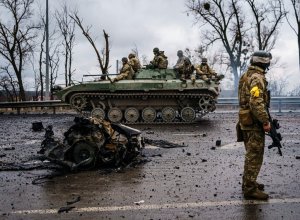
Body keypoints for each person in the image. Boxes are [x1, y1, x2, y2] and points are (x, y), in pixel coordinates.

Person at [237, 50, 272, 200]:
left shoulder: (246, 75)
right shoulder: (257, 78)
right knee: (254, 155)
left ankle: (249, 183)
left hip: (246, 120)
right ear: (264, 62)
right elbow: (256, 102)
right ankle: (250, 189)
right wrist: (265, 121)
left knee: (251, 154)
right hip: (253, 122)